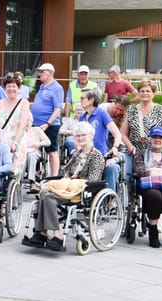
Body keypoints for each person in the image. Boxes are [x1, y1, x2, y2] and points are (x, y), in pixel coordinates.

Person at [22, 122, 104, 251]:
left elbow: (93, 180)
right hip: (67, 188)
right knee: (44, 193)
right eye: (78, 136)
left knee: (47, 197)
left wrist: (71, 182)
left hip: (80, 191)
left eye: (83, 135)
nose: (80, 138)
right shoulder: (76, 153)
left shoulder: (96, 156)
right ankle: (41, 233)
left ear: (91, 136)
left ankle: (56, 235)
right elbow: (64, 173)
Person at [121, 79, 162, 177]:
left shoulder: (161, 110)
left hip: (155, 153)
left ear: (153, 93)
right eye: (142, 91)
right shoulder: (130, 110)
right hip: (134, 152)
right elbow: (123, 134)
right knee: (128, 176)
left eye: (148, 91)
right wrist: (130, 147)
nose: (145, 93)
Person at [78, 87, 123, 192]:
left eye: (82, 98)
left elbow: (117, 134)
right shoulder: (82, 117)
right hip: (85, 157)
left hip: (100, 156)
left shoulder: (101, 113)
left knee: (113, 168)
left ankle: (110, 199)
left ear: (91, 100)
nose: (80, 100)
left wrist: (115, 147)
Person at [0, 73, 30, 177]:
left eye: (14, 86)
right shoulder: (0, 103)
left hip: (17, 141)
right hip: (1, 141)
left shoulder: (24, 103)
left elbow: (22, 125)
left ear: (19, 88)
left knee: (14, 173)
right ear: (5, 88)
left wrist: (15, 143)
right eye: (8, 86)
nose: (11, 89)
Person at [31, 63, 64, 177]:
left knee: (51, 151)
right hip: (36, 123)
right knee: (34, 148)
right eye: (39, 72)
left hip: (50, 124)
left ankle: (54, 176)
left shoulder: (56, 88)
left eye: (42, 71)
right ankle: (36, 174)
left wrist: (48, 124)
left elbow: (57, 109)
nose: (39, 74)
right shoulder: (42, 86)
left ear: (50, 73)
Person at [22, 119, 51, 192]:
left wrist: (37, 144)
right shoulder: (19, 132)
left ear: (31, 122)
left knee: (31, 155)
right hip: (22, 153)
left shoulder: (36, 130)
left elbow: (48, 142)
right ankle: (19, 180)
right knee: (23, 156)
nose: (26, 122)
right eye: (25, 120)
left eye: (28, 121)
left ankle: (31, 182)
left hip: (35, 152)